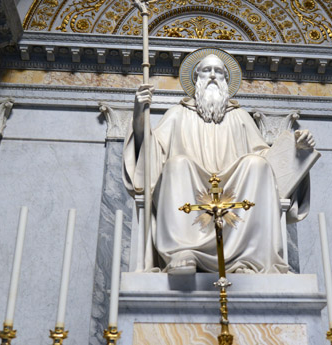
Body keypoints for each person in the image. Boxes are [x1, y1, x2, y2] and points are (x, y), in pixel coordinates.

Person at [123, 53, 315, 274]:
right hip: (190, 191)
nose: (213, 75)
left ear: (226, 79)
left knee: (256, 165)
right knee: (176, 164)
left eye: (219, 71)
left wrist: (297, 148)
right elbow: (149, 152)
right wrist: (140, 114)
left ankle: (249, 258)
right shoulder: (177, 114)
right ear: (196, 79)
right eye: (206, 70)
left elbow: (268, 161)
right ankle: (182, 252)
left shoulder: (241, 117)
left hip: (235, 194)